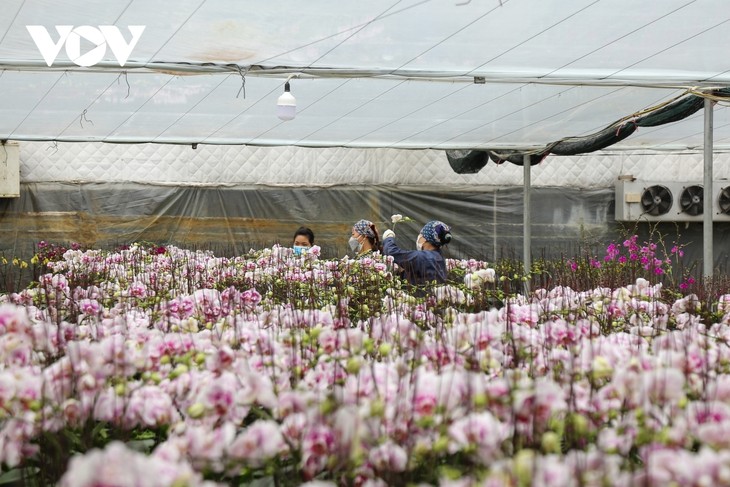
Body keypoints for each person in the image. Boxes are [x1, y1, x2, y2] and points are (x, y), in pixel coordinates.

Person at [382, 220, 452, 286]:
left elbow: (391, 252)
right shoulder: (438, 257)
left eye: (421, 235)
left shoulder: (424, 257)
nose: (419, 237)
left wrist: (389, 238)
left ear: (426, 239)